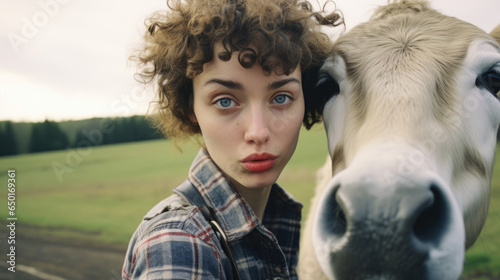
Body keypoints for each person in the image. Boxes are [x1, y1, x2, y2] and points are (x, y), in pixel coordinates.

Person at [122, 0, 342, 279]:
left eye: (281, 97)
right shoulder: (180, 243)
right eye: (225, 101)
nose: (258, 132)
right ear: (191, 109)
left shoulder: (277, 221)